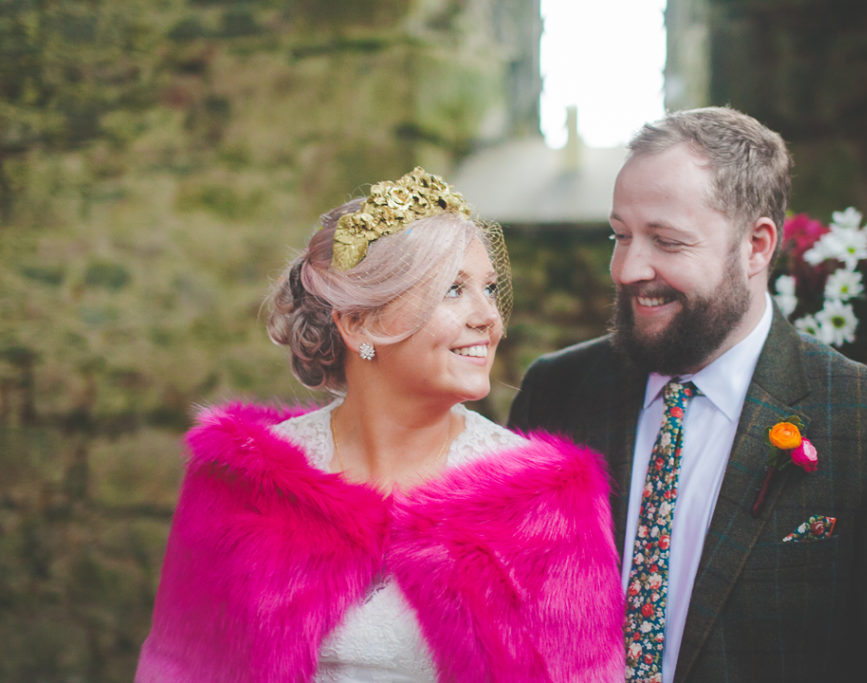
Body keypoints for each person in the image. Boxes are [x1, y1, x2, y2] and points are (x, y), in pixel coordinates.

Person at [507, 107, 867, 682]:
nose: (628, 268)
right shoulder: (556, 392)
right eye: (620, 235)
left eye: (667, 241)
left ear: (756, 246)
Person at [136, 167, 625, 682]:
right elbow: (177, 666)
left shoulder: (547, 500)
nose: (489, 317)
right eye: (453, 290)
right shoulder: (241, 480)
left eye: (489, 288)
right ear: (358, 323)